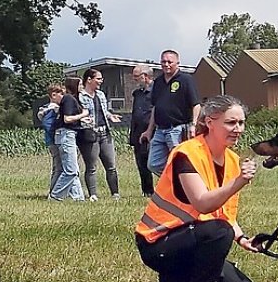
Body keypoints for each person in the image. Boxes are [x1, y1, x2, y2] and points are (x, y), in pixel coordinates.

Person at [135, 95, 263, 282]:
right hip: (157, 242)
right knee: (220, 232)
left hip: (195, 237)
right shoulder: (186, 153)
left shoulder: (232, 160)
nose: (238, 128)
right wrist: (239, 181)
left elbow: (225, 214)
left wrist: (243, 238)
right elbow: (203, 204)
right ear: (210, 122)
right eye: (231, 122)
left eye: (241, 123)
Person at [146, 50, 201, 177]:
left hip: (177, 129)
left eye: (170, 62)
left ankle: (184, 186)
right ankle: (174, 180)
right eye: (163, 62)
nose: (166, 64)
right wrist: (149, 130)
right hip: (160, 130)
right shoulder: (158, 82)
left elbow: (196, 104)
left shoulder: (186, 79)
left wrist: (193, 125)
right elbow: (155, 107)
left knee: (179, 161)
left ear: (177, 63)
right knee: (153, 164)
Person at [78, 67, 122, 200]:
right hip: (90, 135)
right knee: (91, 166)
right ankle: (93, 195)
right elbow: (78, 113)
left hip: (105, 133)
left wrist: (110, 116)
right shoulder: (80, 96)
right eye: (98, 78)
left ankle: (115, 194)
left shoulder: (101, 95)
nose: (101, 81)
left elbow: (103, 111)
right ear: (89, 80)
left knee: (111, 166)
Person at [48, 78, 86, 202]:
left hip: (64, 135)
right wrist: (83, 114)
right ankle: (55, 196)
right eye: (80, 84)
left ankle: (78, 198)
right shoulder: (68, 99)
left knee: (72, 169)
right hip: (66, 135)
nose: (82, 86)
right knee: (71, 171)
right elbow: (67, 119)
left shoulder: (65, 102)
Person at [127, 65, 155, 195]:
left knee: (154, 162)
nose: (134, 79)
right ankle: (147, 191)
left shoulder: (156, 91)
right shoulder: (137, 93)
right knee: (141, 163)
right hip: (138, 132)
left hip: (153, 132)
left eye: (137, 76)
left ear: (146, 76)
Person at [37, 83, 64, 197]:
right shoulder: (51, 110)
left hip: (53, 141)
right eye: (61, 94)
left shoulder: (49, 109)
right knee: (59, 168)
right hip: (54, 141)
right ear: (53, 95)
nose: (63, 96)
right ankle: (53, 192)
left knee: (58, 167)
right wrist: (58, 136)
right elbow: (49, 126)